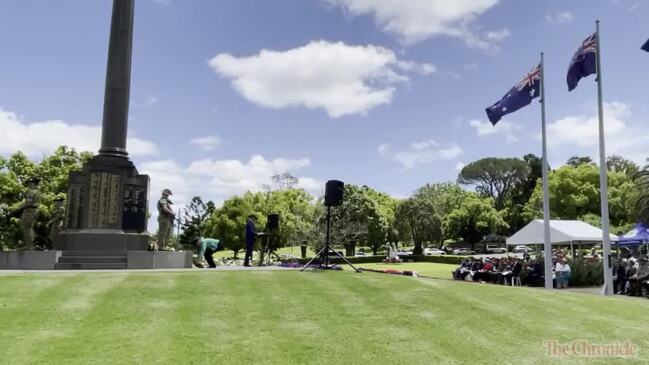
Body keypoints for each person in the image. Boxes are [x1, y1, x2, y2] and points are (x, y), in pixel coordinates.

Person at [21, 176, 41, 250]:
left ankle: (30, 245)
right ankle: (35, 242)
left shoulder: (31, 191)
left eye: (31, 183)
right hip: (33, 211)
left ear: (34, 184)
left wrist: (18, 209)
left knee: (26, 228)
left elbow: (28, 203)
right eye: (29, 183)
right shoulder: (37, 191)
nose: (29, 185)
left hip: (29, 211)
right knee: (29, 228)